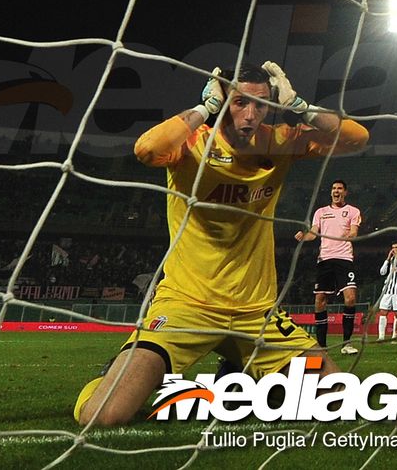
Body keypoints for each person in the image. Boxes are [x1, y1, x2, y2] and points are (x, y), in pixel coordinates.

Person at [74, 61, 369, 426]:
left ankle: (242, 372)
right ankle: (112, 376)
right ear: (223, 100)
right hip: (187, 305)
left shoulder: (279, 141)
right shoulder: (193, 144)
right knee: (104, 416)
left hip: (255, 313)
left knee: (347, 402)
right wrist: (205, 109)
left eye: (260, 104)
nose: (250, 114)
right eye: (239, 102)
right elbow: (147, 149)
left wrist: (299, 105)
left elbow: (357, 139)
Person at [297, 180, 362, 354]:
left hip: (344, 258)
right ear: (331, 192)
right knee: (320, 300)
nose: (336, 191)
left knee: (350, 298)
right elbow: (314, 233)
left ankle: (347, 344)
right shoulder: (321, 212)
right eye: (334, 188)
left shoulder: (353, 211)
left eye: (340, 188)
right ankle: (322, 346)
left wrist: (350, 234)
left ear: (345, 192)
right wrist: (304, 236)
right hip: (324, 259)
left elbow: (354, 231)